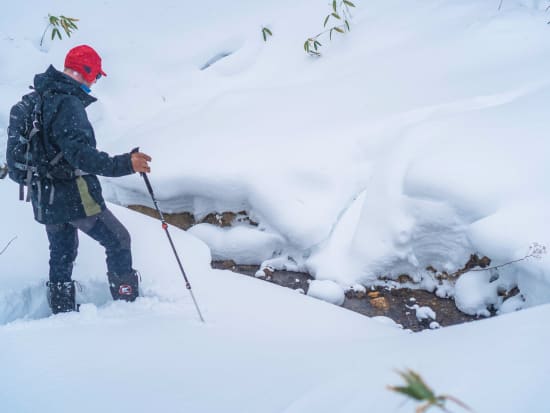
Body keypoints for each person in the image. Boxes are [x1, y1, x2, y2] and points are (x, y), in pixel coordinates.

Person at [17, 45, 151, 314]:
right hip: (73, 194)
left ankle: (62, 310)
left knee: (62, 252)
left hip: (43, 195)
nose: (95, 81)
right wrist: (127, 163)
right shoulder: (67, 102)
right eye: (96, 76)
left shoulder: (34, 100)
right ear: (85, 72)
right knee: (118, 239)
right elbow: (82, 156)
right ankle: (128, 306)